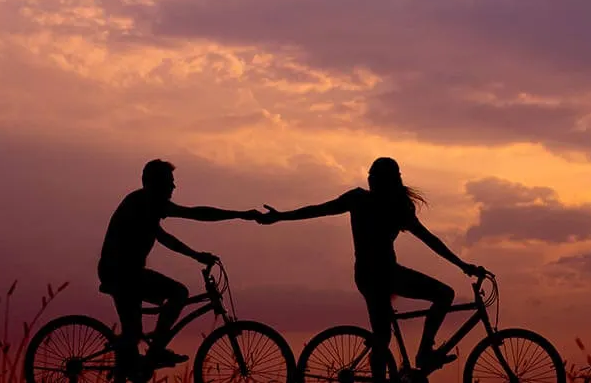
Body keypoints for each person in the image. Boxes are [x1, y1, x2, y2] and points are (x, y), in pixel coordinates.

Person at [257, 157, 488, 381]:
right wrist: (280, 217)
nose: (370, 180)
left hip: (377, 275)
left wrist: (462, 265)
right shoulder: (372, 202)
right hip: (380, 275)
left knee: (385, 334)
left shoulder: (386, 205)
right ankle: (424, 353)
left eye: (374, 176)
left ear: (384, 180)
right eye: (370, 176)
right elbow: (317, 210)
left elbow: (430, 240)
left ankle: (416, 356)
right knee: (435, 300)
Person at [98, 159, 261, 382]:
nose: (173, 187)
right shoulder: (147, 202)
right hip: (122, 274)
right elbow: (197, 214)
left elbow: (164, 238)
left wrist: (196, 255)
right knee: (178, 293)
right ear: (156, 184)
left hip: (124, 273)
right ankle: (155, 349)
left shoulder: (143, 204)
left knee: (132, 335)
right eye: (169, 182)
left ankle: (134, 361)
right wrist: (240, 214)